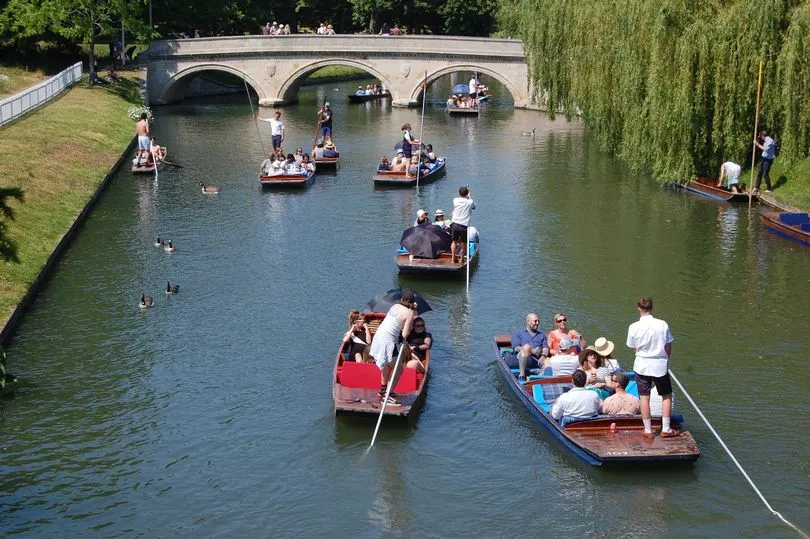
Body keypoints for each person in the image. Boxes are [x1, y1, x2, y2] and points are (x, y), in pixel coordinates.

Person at [626, 296, 678, 439]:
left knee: (644, 397)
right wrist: (666, 359)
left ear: (639, 309)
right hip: (659, 364)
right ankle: (666, 428)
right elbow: (668, 345)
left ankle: (648, 430)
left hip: (642, 364)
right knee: (666, 395)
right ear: (651, 308)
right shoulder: (662, 324)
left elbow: (633, 347)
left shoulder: (633, 327)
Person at [368, 290, 417, 406]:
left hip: (378, 337)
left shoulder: (395, 306)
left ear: (401, 300)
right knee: (398, 369)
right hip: (388, 342)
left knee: (388, 365)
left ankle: (383, 389)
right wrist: (412, 314)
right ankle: (388, 396)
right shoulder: (410, 313)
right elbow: (405, 334)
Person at [511, 313, 549, 380]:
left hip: (537, 360)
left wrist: (543, 356)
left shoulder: (542, 335)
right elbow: (516, 348)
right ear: (528, 322)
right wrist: (531, 351)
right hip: (521, 358)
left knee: (549, 362)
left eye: (538, 321)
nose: (537, 323)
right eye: (535, 321)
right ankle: (522, 375)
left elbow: (545, 348)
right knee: (526, 347)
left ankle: (544, 379)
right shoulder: (518, 333)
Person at [450, 186, 475, 264]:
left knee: (454, 242)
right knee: (463, 243)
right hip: (463, 225)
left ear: (458, 193)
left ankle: (453, 259)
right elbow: (474, 207)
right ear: (467, 193)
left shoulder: (455, 200)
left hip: (454, 224)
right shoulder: (470, 202)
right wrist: (469, 197)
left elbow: (460, 197)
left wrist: (467, 195)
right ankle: (462, 259)